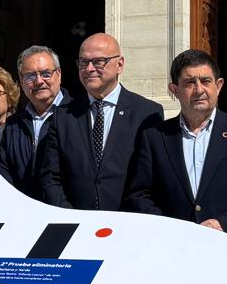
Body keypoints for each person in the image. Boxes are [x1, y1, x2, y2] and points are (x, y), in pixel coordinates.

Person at [126, 49, 227, 239]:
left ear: (218, 86)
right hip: (171, 248)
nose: (199, 89)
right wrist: (168, 229)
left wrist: (225, 224)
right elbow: (139, 194)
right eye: (190, 83)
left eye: (206, 81)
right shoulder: (155, 137)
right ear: (174, 90)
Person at [36, 33, 163, 211]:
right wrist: (69, 215)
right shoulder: (63, 116)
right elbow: (50, 178)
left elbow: (152, 179)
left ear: (120, 64)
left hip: (129, 225)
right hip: (77, 225)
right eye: (83, 62)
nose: (89, 69)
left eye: (98, 62)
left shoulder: (147, 113)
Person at [0, 45, 70, 195]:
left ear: (59, 75)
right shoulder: (13, 124)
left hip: (66, 213)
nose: (39, 81)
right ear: (22, 82)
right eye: (30, 76)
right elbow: (3, 174)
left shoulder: (77, 116)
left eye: (46, 74)